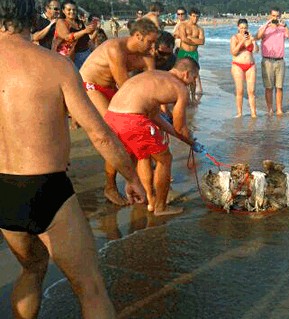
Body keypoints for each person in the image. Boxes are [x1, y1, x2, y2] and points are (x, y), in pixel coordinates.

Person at [0, 1, 146, 318]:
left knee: (32, 268)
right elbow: (100, 135)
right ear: (32, 18)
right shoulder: (54, 65)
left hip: (2, 190)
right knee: (90, 286)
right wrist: (131, 178)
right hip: (46, 187)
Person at [104, 58, 199, 215]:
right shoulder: (179, 88)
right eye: (194, 78)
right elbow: (180, 127)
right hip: (133, 120)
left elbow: (155, 117)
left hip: (112, 115)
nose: (193, 82)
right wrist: (190, 141)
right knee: (165, 159)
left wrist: (182, 137)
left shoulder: (154, 76)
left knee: (136, 154)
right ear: (186, 73)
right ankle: (161, 207)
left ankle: (132, 190)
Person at [80, 18, 158, 205]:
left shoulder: (146, 55)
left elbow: (152, 85)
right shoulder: (115, 49)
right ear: (138, 36)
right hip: (91, 86)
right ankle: (110, 187)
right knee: (117, 133)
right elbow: (125, 88)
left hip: (111, 88)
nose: (153, 47)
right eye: (150, 42)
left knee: (133, 131)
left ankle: (138, 179)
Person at [256, 7, 289, 116]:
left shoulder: (282, 28)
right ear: (270, 16)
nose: (275, 18)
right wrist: (267, 24)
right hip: (267, 60)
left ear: (280, 16)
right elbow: (257, 37)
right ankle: (270, 109)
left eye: (277, 16)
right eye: (273, 16)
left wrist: (285, 25)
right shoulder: (265, 28)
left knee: (279, 87)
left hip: (280, 61)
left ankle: (279, 109)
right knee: (268, 87)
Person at [53, 0, 97, 69]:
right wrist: (84, 31)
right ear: (63, 11)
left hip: (86, 53)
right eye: (69, 10)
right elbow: (67, 37)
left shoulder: (80, 22)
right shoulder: (61, 22)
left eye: (74, 10)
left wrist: (96, 51)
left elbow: (87, 41)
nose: (72, 12)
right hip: (71, 57)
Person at [230, 18, 259, 118]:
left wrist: (253, 41)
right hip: (238, 65)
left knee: (251, 91)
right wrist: (242, 41)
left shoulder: (250, 38)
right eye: (241, 28)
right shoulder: (235, 38)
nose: (243, 30)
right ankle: (239, 113)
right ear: (238, 27)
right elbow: (234, 52)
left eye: (245, 28)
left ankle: (254, 113)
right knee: (240, 90)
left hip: (251, 65)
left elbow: (256, 51)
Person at [173, 7, 204, 98]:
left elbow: (202, 41)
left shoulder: (199, 29)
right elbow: (183, 39)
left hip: (193, 53)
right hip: (183, 52)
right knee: (180, 74)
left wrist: (190, 39)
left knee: (193, 76)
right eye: (194, 16)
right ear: (190, 16)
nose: (195, 19)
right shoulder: (183, 26)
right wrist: (194, 40)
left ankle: (193, 97)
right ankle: (181, 96)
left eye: (197, 17)